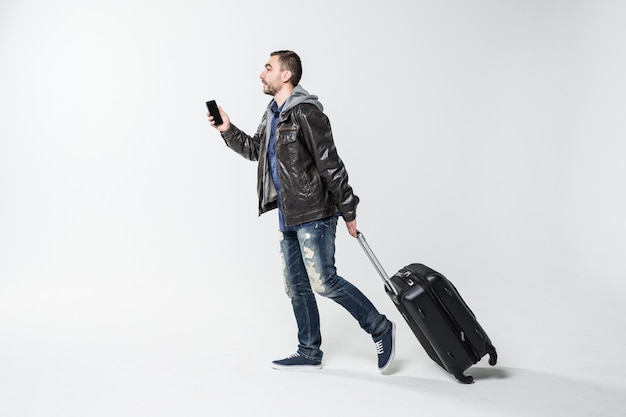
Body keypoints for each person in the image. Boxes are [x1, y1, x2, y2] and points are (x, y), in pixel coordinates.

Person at [207, 50, 395, 372]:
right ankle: (309, 350)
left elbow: (330, 164)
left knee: (324, 281)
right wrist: (227, 128)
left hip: (315, 213)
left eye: (268, 68)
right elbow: (255, 150)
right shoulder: (272, 114)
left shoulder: (307, 113)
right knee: (295, 285)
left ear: (286, 75)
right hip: (288, 214)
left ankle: (379, 327)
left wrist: (348, 210)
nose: (261, 74)